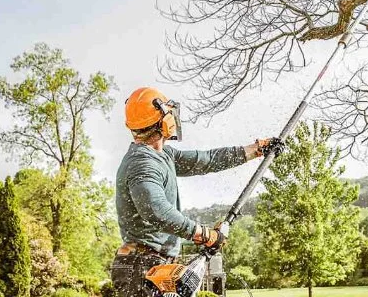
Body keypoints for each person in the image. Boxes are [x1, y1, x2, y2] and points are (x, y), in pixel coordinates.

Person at [111, 87, 277, 296]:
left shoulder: (163, 155)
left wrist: (256, 149)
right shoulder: (142, 164)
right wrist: (204, 234)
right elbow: (157, 211)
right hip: (141, 266)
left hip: (152, 263)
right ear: (163, 121)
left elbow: (206, 160)